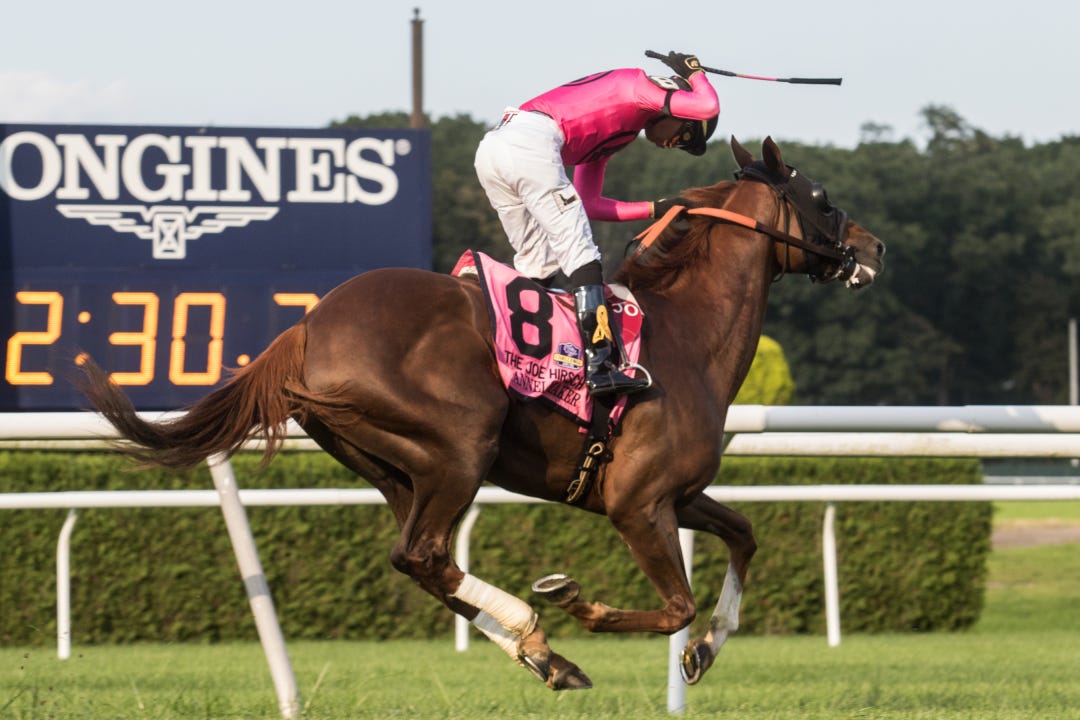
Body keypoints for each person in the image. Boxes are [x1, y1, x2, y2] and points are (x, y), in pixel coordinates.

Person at [474, 51, 720, 397]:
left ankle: (512, 353)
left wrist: (655, 209)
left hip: (495, 150)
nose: (672, 145)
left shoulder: (619, 132)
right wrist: (695, 73)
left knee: (538, 264)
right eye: (685, 136)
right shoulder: (639, 86)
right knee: (582, 255)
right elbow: (707, 106)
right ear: (675, 109)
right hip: (530, 144)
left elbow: (588, 203)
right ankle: (600, 366)